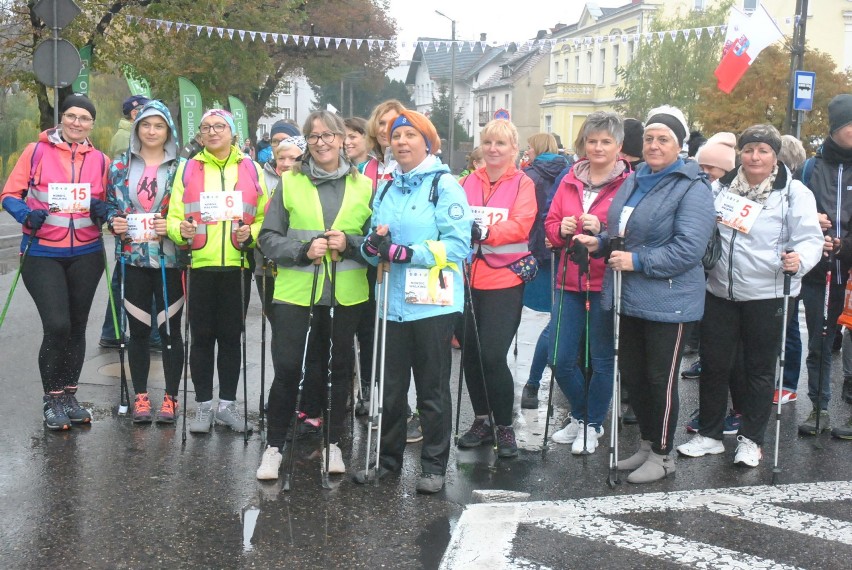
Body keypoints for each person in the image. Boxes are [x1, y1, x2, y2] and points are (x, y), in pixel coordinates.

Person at [575, 105, 716, 483]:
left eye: (663, 139)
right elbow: (624, 232)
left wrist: (636, 261)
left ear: (679, 146)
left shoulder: (692, 187)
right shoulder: (635, 179)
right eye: (650, 138)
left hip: (670, 300)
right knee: (635, 376)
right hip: (629, 295)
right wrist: (601, 243)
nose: (654, 145)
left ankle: (664, 454)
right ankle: (647, 444)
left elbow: (689, 249)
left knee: (661, 379)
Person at [677, 124, 823, 467]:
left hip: (768, 293)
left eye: (763, 150)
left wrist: (799, 259)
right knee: (714, 365)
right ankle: (710, 435)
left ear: (774, 156)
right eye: (749, 149)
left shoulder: (793, 193)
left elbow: (810, 238)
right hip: (720, 290)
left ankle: (751, 439)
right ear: (739, 153)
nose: (755, 157)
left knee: (758, 369)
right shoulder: (720, 187)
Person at [352, 110, 472, 493]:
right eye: (395, 135)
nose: (401, 142)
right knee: (390, 389)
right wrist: (372, 247)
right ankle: (387, 462)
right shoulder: (386, 187)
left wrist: (407, 252)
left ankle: (434, 466)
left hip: (432, 304)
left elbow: (457, 246)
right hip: (391, 302)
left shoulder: (445, 185)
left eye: (409, 135)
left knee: (432, 389)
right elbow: (376, 245)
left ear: (427, 141)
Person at [256, 110, 372, 480]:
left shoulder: (365, 185)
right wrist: (302, 250)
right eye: (314, 136)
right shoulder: (289, 183)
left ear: (342, 139)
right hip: (295, 292)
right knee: (288, 368)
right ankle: (274, 446)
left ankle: (333, 443)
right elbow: (268, 237)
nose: (321, 142)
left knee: (338, 370)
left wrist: (351, 243)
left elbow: (374, 243)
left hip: (345, 293)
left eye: (329, 135)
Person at [1, 94, 110, 430]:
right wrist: (26, 214)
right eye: (71, 116)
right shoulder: (36, 152)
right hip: (43, 251)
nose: (77, 123)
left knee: (78, 328)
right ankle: (52, 398)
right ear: (62, 118)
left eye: (84, 118)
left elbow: (105, 201)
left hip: (87, 252)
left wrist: (104, 211)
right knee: (58, 325)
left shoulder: (101, 160)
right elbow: (9, 194)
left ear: (92, 124)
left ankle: (69, 396)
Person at [166, 108, 268, 434]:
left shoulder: (252, 168)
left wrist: (250, 235)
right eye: (206, 127)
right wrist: (178, 229)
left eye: (219, 126)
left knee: (230, 338)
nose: (212, 132)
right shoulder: (188, 168)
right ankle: (202, 407)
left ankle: (227, 406)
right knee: (201, 338)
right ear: (199, 134)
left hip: (237, 265)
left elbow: (266, 216)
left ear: (232, 132)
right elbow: (172, 217)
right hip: (200, 264)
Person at [544, 112, 631, 453]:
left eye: (606, 141)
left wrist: (605, 232)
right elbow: (549, 225)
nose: (598, 147)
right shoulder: (569, 178)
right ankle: (582, 417)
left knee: (601, 359)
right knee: (560, 357)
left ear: (619, 147)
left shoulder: (629, 183)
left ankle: (592, 424)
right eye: (592, 140)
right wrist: (560, 229)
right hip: (568, 279)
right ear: (583, 144)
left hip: (604, 282)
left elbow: (632, 231)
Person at [457, 119, 537, 458]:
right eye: (488, 142)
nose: (493, 149)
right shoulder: (465, 182)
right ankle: (481, 419)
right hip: (466, 280)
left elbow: (521, 224)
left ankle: (504, 425)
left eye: (501, 144)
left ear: (513, 149)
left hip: (504, 280)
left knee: (492, 354)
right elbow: (452, 217)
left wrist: (485, 233)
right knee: (472, 356)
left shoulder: (522, 183)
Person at [104, 100, 186, 423]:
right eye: (146, 125)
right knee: (136, 332)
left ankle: (171, 397)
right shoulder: (119, 165)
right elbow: (109, 205)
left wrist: (176, 225)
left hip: (170, 260)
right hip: (133, 259)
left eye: (159, 125)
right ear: (137, 129)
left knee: (169, 332)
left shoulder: (181, 167)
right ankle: (140, 396)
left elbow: (189, 211)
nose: (152, 131)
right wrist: (114, 221)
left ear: (168, 131)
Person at [797, 94, 852, 435]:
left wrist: (845, 245)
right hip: (820, 269)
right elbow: (794, 216)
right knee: (820, 337)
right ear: (836, 128)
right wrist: (811, 223)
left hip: (850, 268)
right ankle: (819, 407)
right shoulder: (811, 167)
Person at [100, 94, 157, 350]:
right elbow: (120, 183)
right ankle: (122, 332)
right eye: (145, 115)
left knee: (123, 279)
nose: (151, 131)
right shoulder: (125, 139)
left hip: (137, 226)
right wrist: (116, 218)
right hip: (133, 226)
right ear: (135, 114)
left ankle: (113, 331)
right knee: (128, 279)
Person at [519, 133, 569, 409]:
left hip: (543, 251)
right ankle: (537, 383)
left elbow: (537, 219)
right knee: (557, 320)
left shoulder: (530, 176)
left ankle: (533, 383)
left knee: (555, 322)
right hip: (563, 253)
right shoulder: (568, 171)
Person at [255, 136, 307, 310]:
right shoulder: (264, 180)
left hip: (298, 262)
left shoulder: (308, 184)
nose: (286, 163)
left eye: (293, 158)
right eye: (281, 158)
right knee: (272, 315)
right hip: (266, 261)